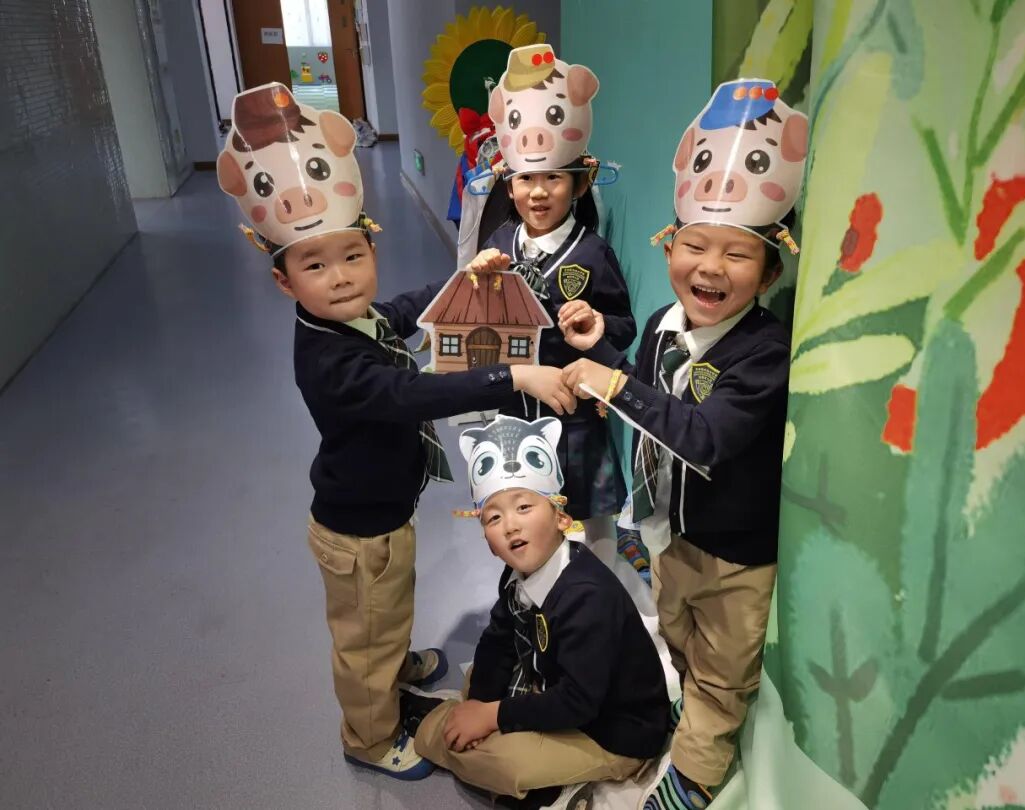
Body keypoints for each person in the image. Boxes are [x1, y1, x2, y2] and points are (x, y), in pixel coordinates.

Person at [216, 82, 575, 780]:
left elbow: (405, 310)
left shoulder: (352, 318)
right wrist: (514, 376)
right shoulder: (329, 361)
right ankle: (370, 735)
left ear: (370, 246)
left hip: (384, 510)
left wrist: (465, 276)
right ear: (284, 281)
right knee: (362, 639)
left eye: (353, 255)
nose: (341, 277)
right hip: (357, 530)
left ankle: (394, 663)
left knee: (386, 610)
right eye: (315, 265)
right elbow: (411, 393)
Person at [559, 78, 807, 809]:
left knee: (725, 669)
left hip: (735, 555)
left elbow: (702, 435)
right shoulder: (666, 325)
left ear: (770, 270)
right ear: (669, 244)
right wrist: (605, 350)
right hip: (671, 534)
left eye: (737, 254)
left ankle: (696, 776)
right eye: (694, 244)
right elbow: (650, 401)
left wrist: (612, 385)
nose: (710, 267)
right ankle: (690, 705)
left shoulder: (763, 352)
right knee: (677, 634)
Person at [409, 415, 669, 808]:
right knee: (482, 677)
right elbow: (498, 639)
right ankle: (463, 719)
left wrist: (491, 717)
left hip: (612, 732)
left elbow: (579, 702)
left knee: (503, 764)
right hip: (551, 681)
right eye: (494, 518)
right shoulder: (516, 574)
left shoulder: (586, 598)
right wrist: (479, 704)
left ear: (562, 518)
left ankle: (431, 725)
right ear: (488, 541)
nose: (510, 526)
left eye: (524, 507)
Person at [467, 44, 636, 560]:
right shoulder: (497, 242)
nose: (538, 192)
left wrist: (597, 320)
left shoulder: (593, 252)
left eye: (553, 178)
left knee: (589, 533)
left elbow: (624, 327)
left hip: (577, 417)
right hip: (513, 411)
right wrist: (475, 284)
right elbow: (476, 327)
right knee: (525, 527)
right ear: (509, 183)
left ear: (579, 183)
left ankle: (594, 590)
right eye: (525, 179)